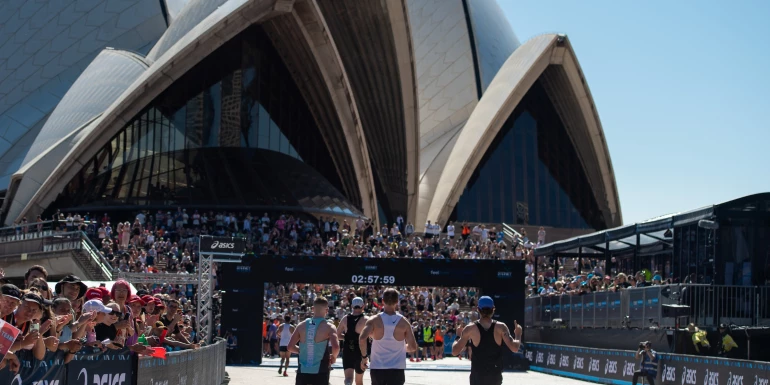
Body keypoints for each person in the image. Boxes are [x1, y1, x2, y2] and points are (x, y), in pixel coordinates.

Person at [452, 296, 522, 385]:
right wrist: (518, 334)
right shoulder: (501, 327)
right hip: (495, 377)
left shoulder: (470, 328)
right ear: (493, 309)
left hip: (477, 378)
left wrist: (458, 335)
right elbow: (515, 348)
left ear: (478, 309)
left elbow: (455, 351)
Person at [359, 288, 418, 385]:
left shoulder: (373, 320)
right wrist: (400, 348)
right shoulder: (404, 322)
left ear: (382, 301)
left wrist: (364, 357)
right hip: (396, 369)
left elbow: (362, 339)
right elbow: (413, 347)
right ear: (397, 302)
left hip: (378, 368)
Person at [287, 296, 339, 385]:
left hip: (303, 371)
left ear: (312, 309)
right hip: (320, 371)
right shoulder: (329, 327)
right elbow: (336, 347)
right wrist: (333, 357)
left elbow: (290, 347)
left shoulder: (301, 325)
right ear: (326, 311)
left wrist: (306, 349)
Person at [337, 297, 369, 385]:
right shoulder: (366, 319)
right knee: (359, 381)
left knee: (348, 379)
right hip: (360, 351)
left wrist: (347, 337)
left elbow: (338, 335)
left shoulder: (345, 318)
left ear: (352, 306)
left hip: (348, 350)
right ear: (363, 306)